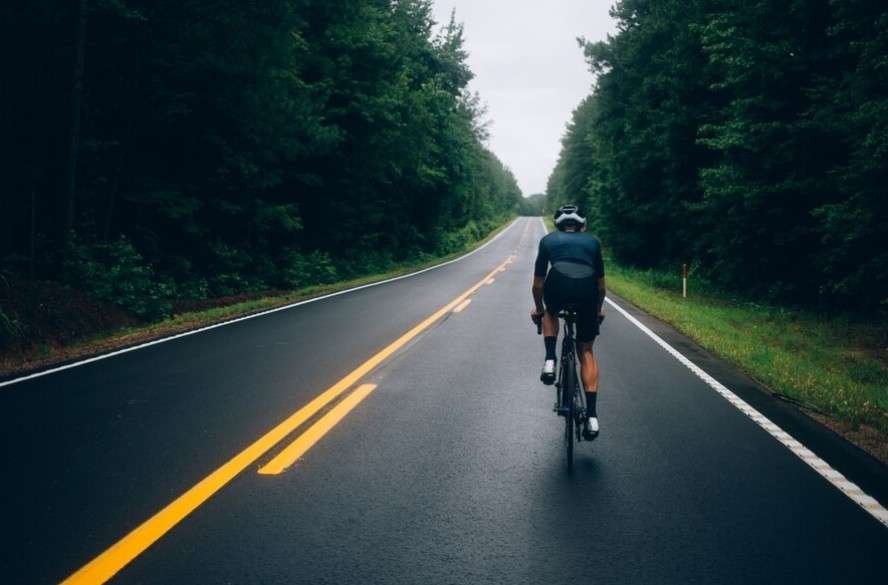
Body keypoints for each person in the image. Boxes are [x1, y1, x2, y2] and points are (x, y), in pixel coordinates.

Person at [531, 205, 606, 440]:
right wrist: (597, 310)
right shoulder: (593, 243)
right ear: (582, 224)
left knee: (552, 313)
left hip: (558, 286)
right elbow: (601, 287)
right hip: (587, 293)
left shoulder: (548, 241)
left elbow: (538, 285)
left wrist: (540, 309)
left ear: (558, 224)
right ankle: (592, 417)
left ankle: (550, 360)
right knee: (586, 349)